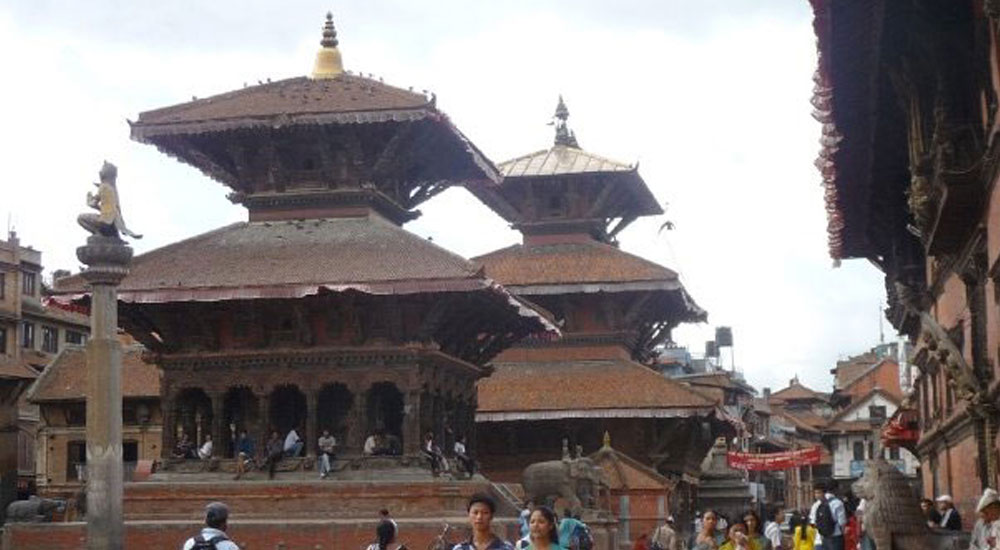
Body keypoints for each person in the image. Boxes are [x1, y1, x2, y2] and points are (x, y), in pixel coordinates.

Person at [809, 482, 846, 550]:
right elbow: (842, 522)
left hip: (820, 539)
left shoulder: (816, 505)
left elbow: (812, 523)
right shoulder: (838, 503)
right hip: (835, 537)